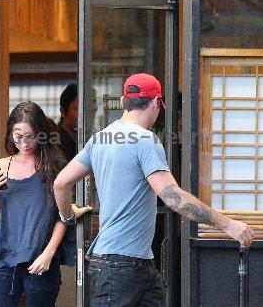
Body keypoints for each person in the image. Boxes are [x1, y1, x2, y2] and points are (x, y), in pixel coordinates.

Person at [53, 73, 254, 307]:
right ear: (156, 102)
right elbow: (173, 198)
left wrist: (67, 215)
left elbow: (60, 183)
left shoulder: (100, 139)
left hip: (129, 262)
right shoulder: (146, 140)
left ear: (123, 101)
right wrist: (228, 224)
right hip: (122, 265)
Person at [0, 101, 91, 307]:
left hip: (41, 260)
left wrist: (49, 254)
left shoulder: (54, 167)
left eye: (30, 136)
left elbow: (62, 215)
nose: (24, 143)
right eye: (18, 136)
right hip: (4, 260)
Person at [58, 83, 78, 162]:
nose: (86, 115)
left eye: (93, 110)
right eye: (77, 109)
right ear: (63, 111)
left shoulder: (90, 139)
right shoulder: (54, 142)